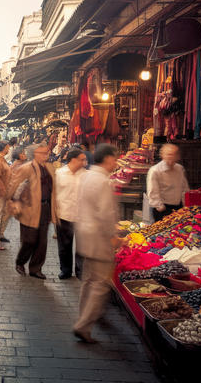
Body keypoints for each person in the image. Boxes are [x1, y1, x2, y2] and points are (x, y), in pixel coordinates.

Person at [73, 144, 119, 343]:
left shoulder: (86, 176)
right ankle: (83, 325)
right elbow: (107, 214)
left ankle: (82, 320)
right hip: (99, 237)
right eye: (114, 159)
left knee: (89, 280)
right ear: (108, 159)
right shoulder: (102, 181)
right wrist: (114, 236)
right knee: (100, 282)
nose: (115, 163)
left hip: (84, 235)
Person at [6, 143, 58, 279]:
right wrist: (10, 200)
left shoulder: (49, 168)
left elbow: (54, 188)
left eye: (46, 152)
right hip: (29, 208)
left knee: (42, 241)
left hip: (45, 207)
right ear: (35, 154)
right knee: (29, 240)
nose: (45, 155)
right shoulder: (26, 168)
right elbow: (13, 185)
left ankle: (35, 268)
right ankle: (20, 262)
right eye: (41, 153)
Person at [55, 148, 87, 280]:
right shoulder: (59, 173)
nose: (85, 162)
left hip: (82, 215)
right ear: (73, 160)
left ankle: (80, 271)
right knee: (64, 246)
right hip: (63, 214)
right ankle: (66, 270)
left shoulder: (86, 175)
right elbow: (54, 193)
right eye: (82, 159)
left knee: (82, 246)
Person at [147, 143, 190, 222]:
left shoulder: (180, 169)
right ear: (163, 155)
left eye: (173, 154)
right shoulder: (155, 170)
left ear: (177, 156)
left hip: (178, 208)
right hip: (163, 209)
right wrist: (161, 208)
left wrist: (186, 207)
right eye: (168, 154)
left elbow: (184, 188)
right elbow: (153, 192)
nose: (171, 157)